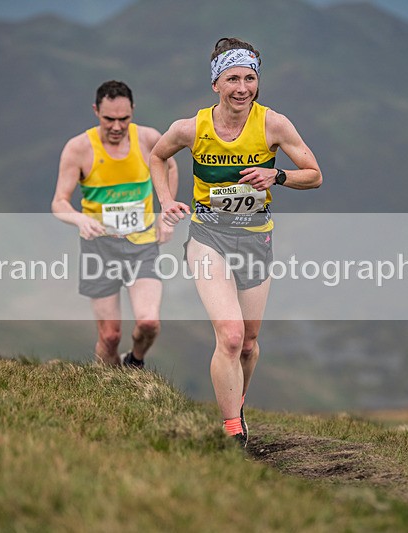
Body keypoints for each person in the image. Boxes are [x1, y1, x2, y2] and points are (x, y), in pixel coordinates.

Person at [149, 38, 322, 445]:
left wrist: (276, 176)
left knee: (248, 344)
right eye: (232, 79)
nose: (242, 88)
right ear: (216, 84)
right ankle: (232, 433)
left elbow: (314, 174)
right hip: (208, 236)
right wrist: (166, 201)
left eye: (250, 78)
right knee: (229, 335)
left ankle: (236, 403)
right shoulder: (190, 128)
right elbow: (158, 156)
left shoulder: (274, 124)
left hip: (256, 238)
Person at [52, 80, 178, 368]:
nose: (117, 126)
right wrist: (79, 218)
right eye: (109, 119)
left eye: (124, 118)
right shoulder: (79, 148)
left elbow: (170, 166)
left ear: (133, 111)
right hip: (100, 249)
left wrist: (165, 212)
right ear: (96, 111)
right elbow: (59, 202)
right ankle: (107, 387)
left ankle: (135, 361)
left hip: (142, 245)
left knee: (149, 323)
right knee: (110, 336)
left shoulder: (148, 139)